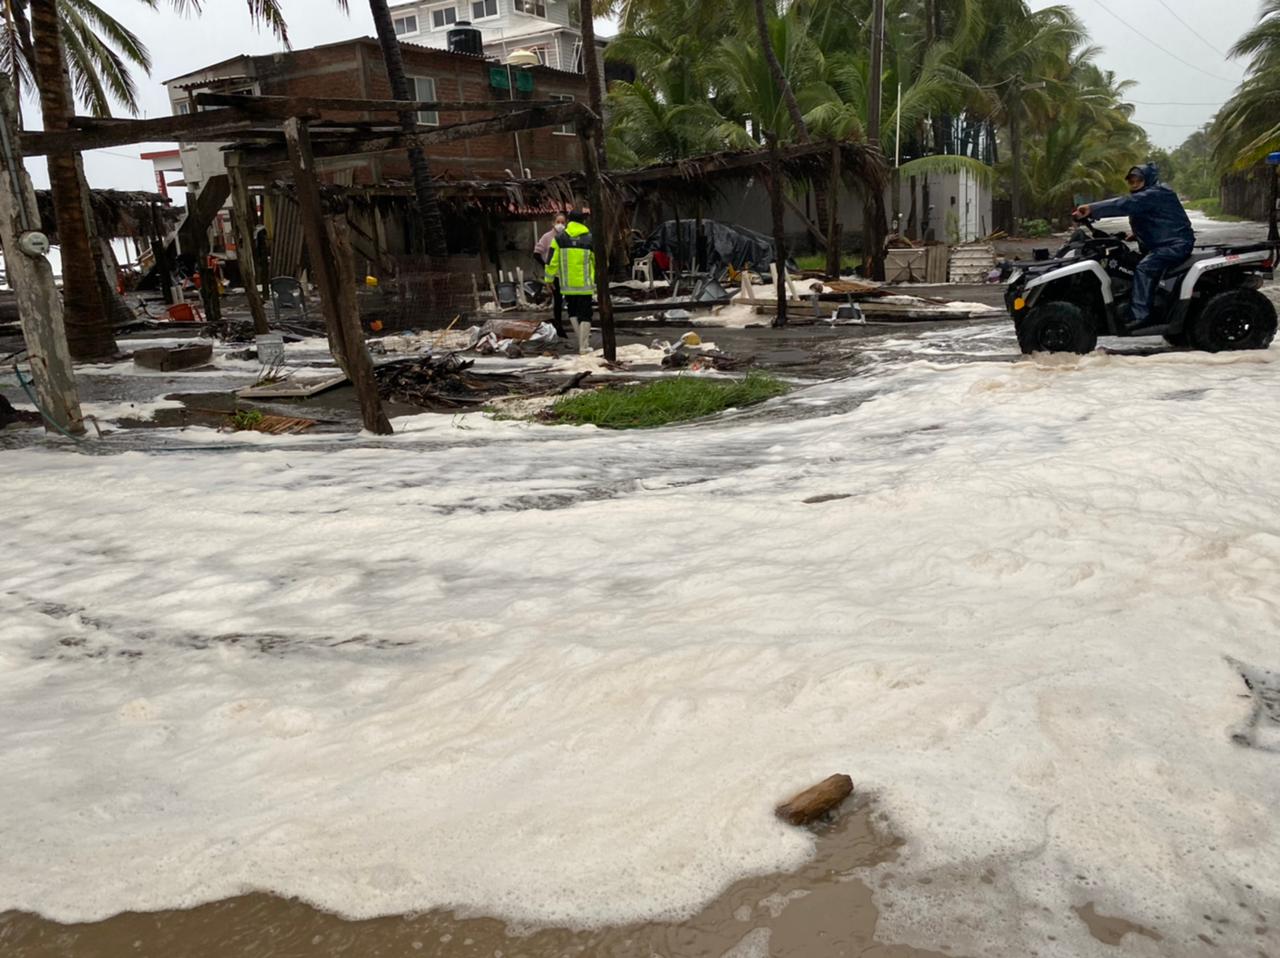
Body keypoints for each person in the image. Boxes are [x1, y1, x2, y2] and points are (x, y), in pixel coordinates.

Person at [1073, 162, 1195, 330]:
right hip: (1160, 243)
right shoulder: (1146, 195)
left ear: (1148, 179)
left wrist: (1092, 209)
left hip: (1174, 245)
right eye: (1131, 180)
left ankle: (1140, 315)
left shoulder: (1156, 193)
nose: (1134, 183)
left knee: (1144, 268)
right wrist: (1132, 235)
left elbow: (1125, 204)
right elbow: (1157, 219)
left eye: (1138, 179)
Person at [544, 211, 595, 353]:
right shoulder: (590, 239)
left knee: (572, 311)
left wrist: (548, 279)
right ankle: (583, 346)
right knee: (586, 314)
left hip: (567, 285)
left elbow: (551, 261)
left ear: (569, 221)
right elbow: (598, 262)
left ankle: (581, 343)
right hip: (585, 285)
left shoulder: (559, 239)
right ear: (583, 222)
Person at [534, 213, 568, 337]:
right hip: (554, 275)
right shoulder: (547, 237)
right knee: (557, 301)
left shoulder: (567, 236)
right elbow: (536, 254)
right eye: (558, 222)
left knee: (570, 301)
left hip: (567, 273)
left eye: (563, 222)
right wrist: (546, 266)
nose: (560, 225)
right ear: (553, 223)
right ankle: (559, 327)